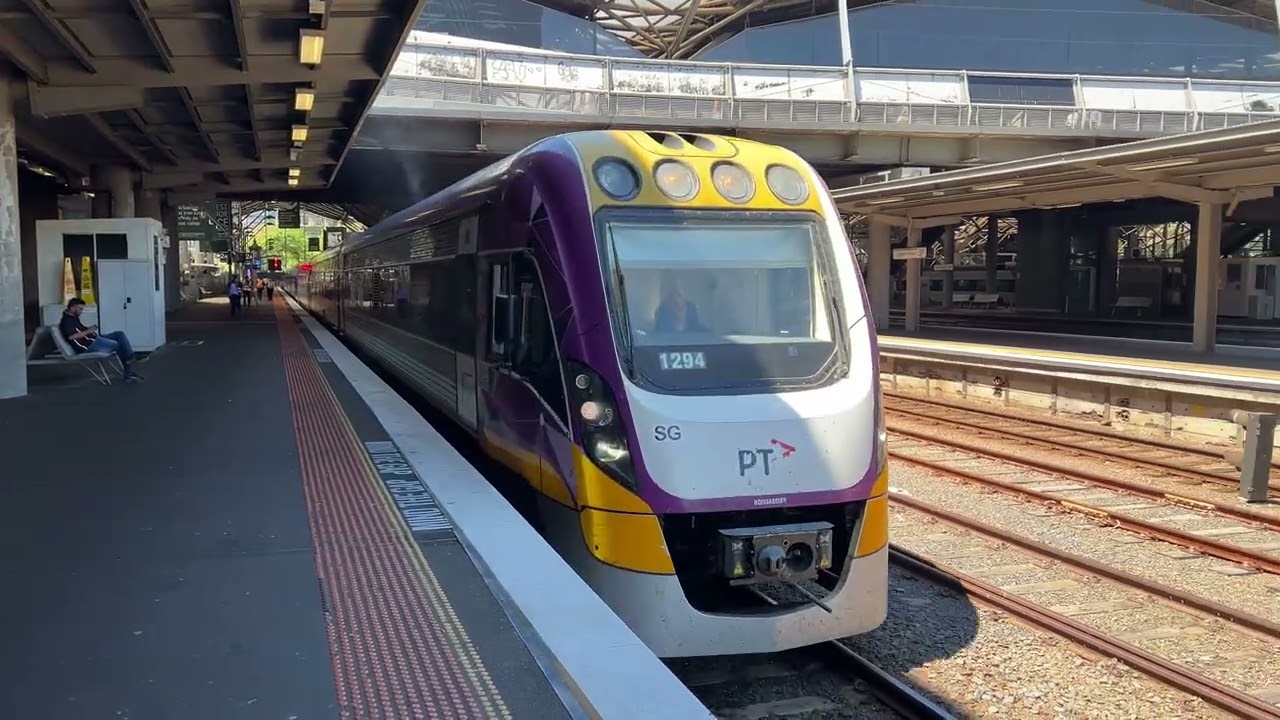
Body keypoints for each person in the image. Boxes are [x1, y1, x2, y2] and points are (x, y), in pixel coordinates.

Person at [59, 298, 143, 383]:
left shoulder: (74, 317)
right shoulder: (66, 321)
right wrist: (88, 331)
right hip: (87, 346)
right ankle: (129, 368)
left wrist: (90, 328)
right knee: (118, 345)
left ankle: (129, 358)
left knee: (119, 334)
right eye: (80, 309)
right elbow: (71, 337)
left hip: (93, 339)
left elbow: (80, 330)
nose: (82, 311)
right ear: (72, 308)